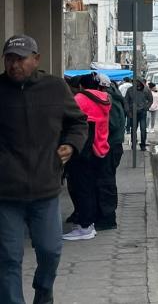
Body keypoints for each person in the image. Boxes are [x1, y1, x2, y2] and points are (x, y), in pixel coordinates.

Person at [0, 35, 88, 304]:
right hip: (5, 193)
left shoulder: (55, 88)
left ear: (36, 60)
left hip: (45, 188)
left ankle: (43, 291)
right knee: (8, 257)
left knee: (50, 251)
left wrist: (71, 145)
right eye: (9, 59)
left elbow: (78, 122)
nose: (14, 65)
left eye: (20, 59)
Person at [64, 74, 111, 241]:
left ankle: (85, 226)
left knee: (82, 189)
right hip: (99, 147)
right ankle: (88, 224)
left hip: (84, 149)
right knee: (90, 188)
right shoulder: (104, 98)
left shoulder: (81, 99)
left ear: (81, 86)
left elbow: (68, 119)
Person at [96, 74, 126, 230]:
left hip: (110, 145)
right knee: (105, 180)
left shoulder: (109, 100)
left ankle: (108, 218)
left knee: (106, 182)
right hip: (111, 145)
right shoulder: (111, 97)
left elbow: (112, 124)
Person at [125, 79, 153, 151]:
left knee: (143, 129)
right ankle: (133, 143)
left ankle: (143, 144)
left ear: (140, 82)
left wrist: (146, 107)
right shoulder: (129, 90)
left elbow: (150, 100)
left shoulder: (146, 90)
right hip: (133, 113)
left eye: (136, 82)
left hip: (142, 113)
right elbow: (126, 101)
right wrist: (128, 111)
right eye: (133, 82)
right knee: (133, 129)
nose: (134, 83)